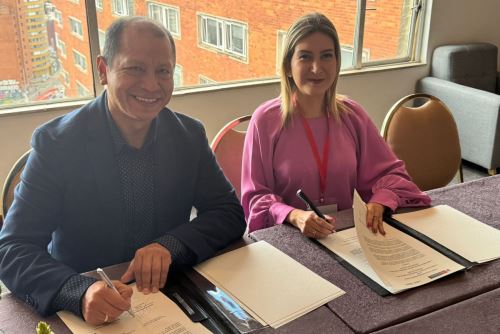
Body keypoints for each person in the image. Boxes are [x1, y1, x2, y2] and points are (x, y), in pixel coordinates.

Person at [0, 17, 245, 325]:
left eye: (163, 71)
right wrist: (78, 290)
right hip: (87, 311)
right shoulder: (57, 144)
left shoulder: (188, 136)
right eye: (135, 68)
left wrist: (170, 246)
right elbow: (13, 249)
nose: (152, 85)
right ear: (104, 70)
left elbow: (228, 213)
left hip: (168, 302)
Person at [241, 13, 431, 238]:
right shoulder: (265, 120)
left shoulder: (353, 115)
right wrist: (294, 215)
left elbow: (392, 174)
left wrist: (379, 201)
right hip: (289, 238)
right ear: (288, 66)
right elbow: (256, 198)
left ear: (337, 63)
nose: (316, 68)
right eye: (305, 57)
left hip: (344, 235)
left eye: (326, 56)